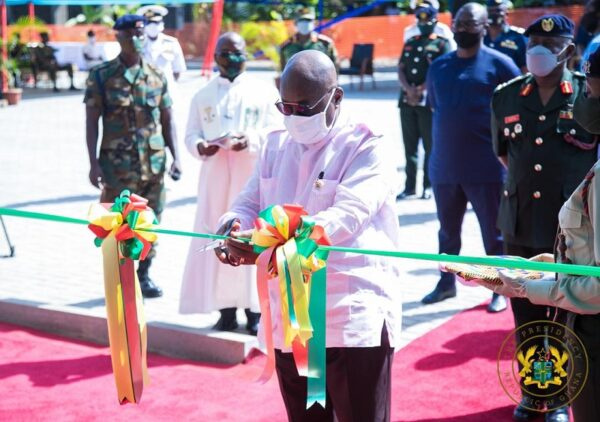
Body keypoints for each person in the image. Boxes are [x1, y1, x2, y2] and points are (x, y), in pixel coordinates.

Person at [214, 50, 402, 421]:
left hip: (350, 313)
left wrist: (266, 243)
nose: (295, 117)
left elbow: (348, 215)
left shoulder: (366, 143)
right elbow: (249, 199)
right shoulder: (274, 142)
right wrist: (234, 225)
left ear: (336, 97)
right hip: (293, 315)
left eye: (305, 108)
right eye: (286, 107)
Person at [491, 14, 597, 422]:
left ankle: (564, 398)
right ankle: (536, 393)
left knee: (567, 317)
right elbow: (504, 154)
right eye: (534, 43)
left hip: (570, 233)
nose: (539, 52)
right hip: (519, 222)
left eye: (550, 47)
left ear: (568, 51)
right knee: (527, 316)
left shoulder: (586, 99)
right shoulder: (507, 96)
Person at [179, 32, 280, 335]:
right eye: (225, 53)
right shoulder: (203, 95)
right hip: (215, 181)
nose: (232, 58)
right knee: (217, 237)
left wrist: (249, 140)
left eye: (237, 52)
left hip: (251, 179)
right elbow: (191, 134)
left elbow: (275, 132)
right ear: (217, 56)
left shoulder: (262, 92)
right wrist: (201, 147)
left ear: (246, 54)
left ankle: (254, 312)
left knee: (251, 238)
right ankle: (225, 312)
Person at [423, 2, 520, 312]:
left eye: (469, 24)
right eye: (459, 23)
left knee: (494, 235)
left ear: (484, 26)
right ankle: (446, 283)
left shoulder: (502, 65)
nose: (462, 29)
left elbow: (517, 117)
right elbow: (436, 109)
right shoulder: (438, 67)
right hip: (445, 168)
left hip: (487, 168)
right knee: (447, 234)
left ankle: (499, 288)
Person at [84, 15, 181, 298]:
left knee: (150, 222)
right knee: (117, 224)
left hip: (153, 165)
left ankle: (144, 275)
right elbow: (92, 121)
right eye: (132, 33)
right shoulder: (101, 75)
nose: (138, 38)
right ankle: (118, 275)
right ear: (118, 37)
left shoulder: (156, 74)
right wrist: (92, 163)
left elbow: (167, 118)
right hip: (117, 168)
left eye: (141, 32)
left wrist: (177, 157)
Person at [397, 3, 452, 200]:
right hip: (406, 100)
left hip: (428, 101)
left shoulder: (442, 43)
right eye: (419, 18)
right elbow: (401, 67)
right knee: (409, 147)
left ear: (434, 20)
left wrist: (420, 89)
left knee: (430, 146)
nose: (422, 23)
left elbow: (441, 71)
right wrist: (408, 89)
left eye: (427, 19)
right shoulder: (411, 41)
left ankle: (428, 185)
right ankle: (410, 186)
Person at [136, 5, 186, 90]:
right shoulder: (138, 43)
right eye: (148, 23)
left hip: (167, 89)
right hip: (144, 90)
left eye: (155, 23)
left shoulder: (171, 43)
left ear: (162, 23)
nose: (152, 26)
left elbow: (177, 70)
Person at [484, 0, 527, 73]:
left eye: (498, 11)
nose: (494, 14)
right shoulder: (480, 36)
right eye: (490, 11)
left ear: (506, 13)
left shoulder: (517, 37)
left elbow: (524, 68)